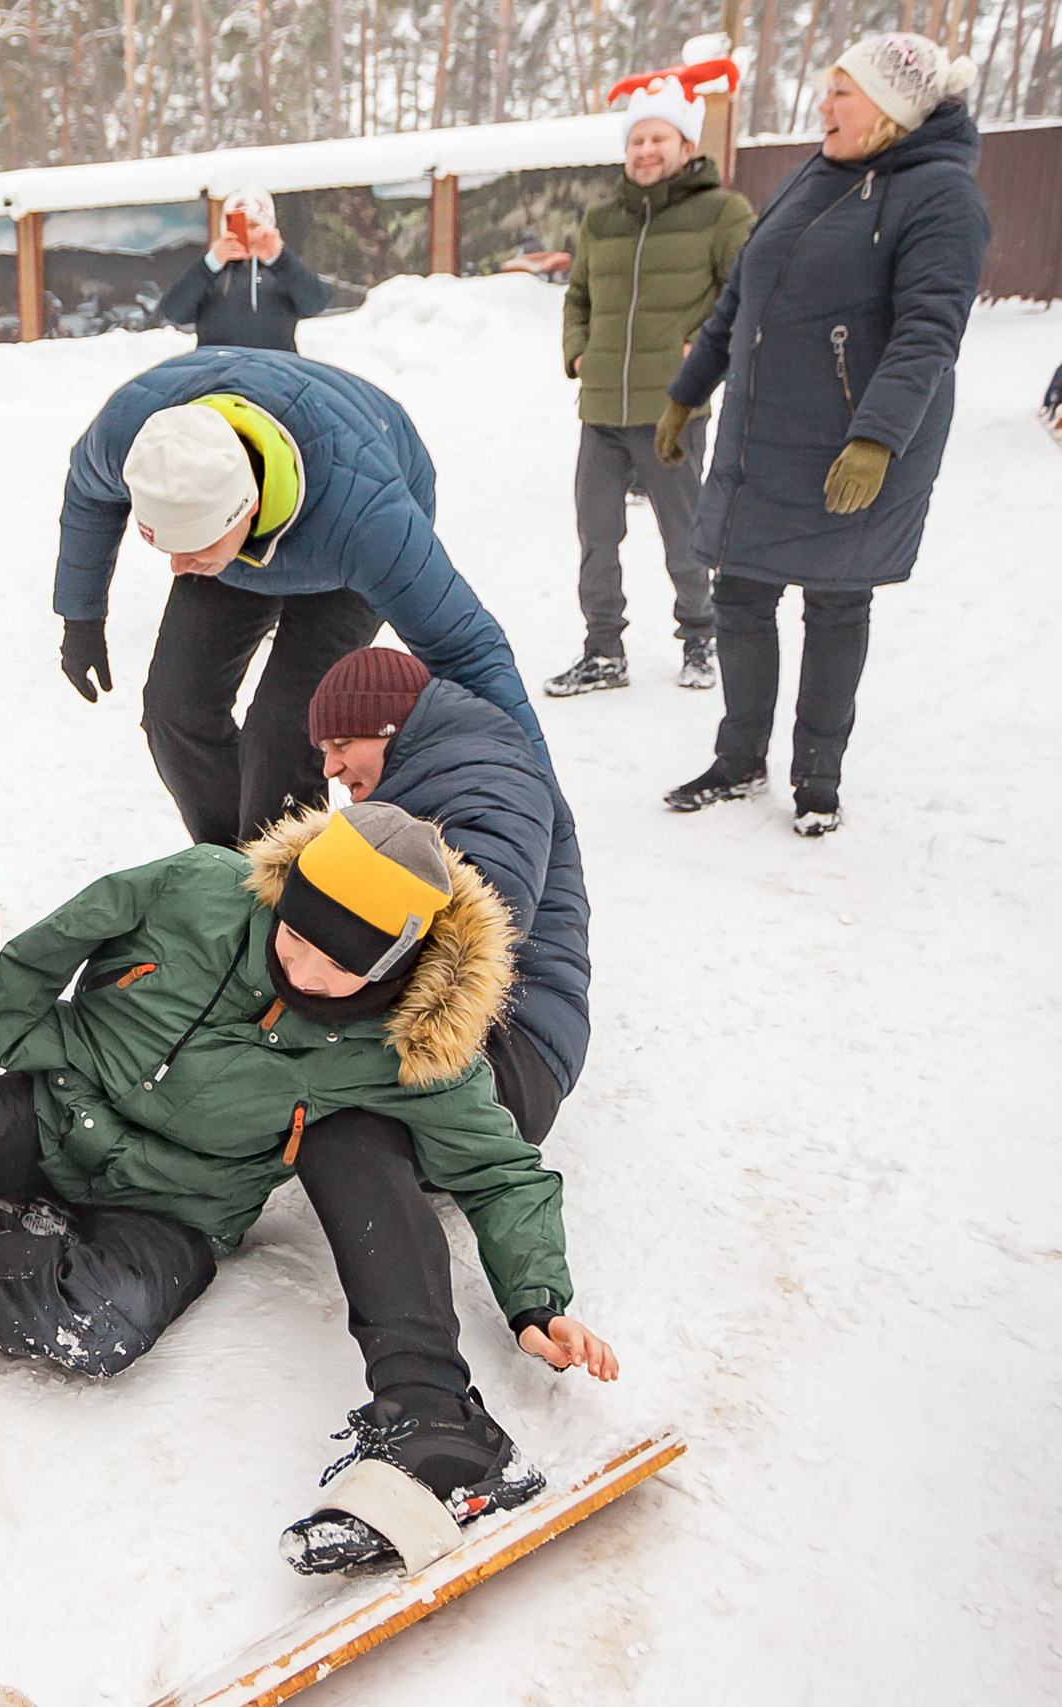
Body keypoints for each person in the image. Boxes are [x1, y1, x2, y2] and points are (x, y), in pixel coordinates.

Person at [0, 802, 616, 1576]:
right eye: (294, 935)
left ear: (392, 963)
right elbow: (47, 948)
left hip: (178, 1202)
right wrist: (29, 1042)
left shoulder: (408, 1045)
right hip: (55, 1106)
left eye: (337, 962)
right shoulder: (198, 888)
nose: (299, 969)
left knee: (102, 1326)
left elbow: (497, 1166)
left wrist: (540, 1299)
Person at [658, 34, 988, 835]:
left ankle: (817, 778)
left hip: (851, 445)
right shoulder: (815, 175)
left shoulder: (942, 196)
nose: (823, 106)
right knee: (739, 595)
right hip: (762, 436)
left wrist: (876, 437)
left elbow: (928, 332)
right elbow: (741, 297)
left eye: (843, 93)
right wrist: (687, 392)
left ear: (894, 107)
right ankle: (739, 760)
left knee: (837, 605)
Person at [54, 348, 543, 849]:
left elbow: (470, 651)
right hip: (236, 535)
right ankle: (230, 873)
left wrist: (535, 795)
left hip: (344, 502)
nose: (177, 568)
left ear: (248, 511)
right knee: (173, 711)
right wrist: (82, 615)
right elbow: (90, 493)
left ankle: (291, 900)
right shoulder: (140, 439)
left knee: (285, 732)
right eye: (165, 547)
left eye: (191, 548)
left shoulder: (369, 524)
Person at [307, 649, 589, 1143]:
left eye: (344, 743)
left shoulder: (492, 774)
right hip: (464, 1032)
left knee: (333, 1126)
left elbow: (493, 913)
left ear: (390, 729)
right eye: (325, 749)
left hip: (513, 1048)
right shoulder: (428, 773)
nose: (330, 767)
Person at [548, 62, 756, 699]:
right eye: (637, 139)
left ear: (687, 146)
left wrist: (701, 348)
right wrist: (579, 352)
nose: (645, 150)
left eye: (659, 138)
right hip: (602, 403)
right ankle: (602, 648)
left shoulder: (723, 212)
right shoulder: (601, 220)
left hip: (674, 407)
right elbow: (577, 296)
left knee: (684, 530)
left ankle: (700, 635)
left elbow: (744, 292)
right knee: (597, 533)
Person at [156, 187, 333, 353]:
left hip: (274, 374)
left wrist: (280, 258)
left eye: (254, 227)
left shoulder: (283, 271)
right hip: (220, 374)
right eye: (240, 227)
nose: (248, 235)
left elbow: (316, 303)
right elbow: (173, 311)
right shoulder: (211, 273)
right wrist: (210, 264)